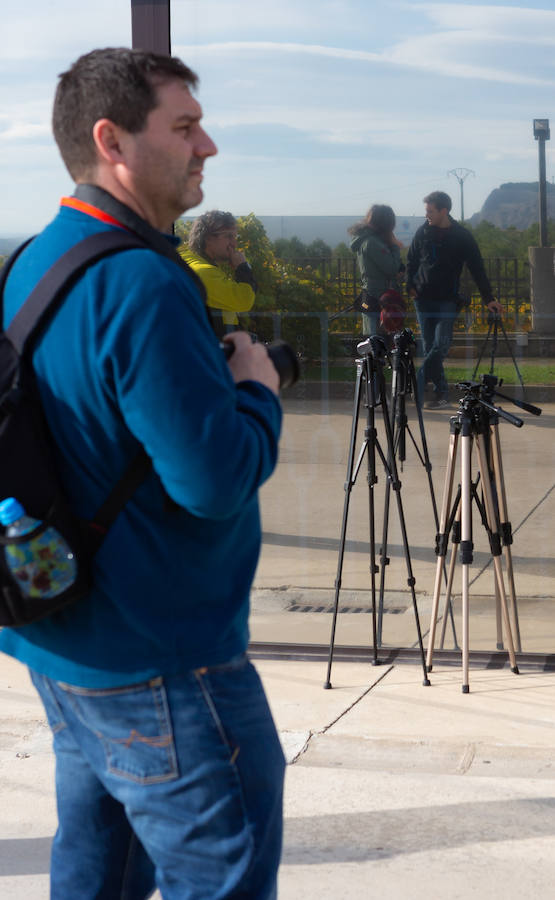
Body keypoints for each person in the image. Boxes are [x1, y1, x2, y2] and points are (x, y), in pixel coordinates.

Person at [0, 48, 285, 900]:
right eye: (185, 127)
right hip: (166, 661)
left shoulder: (33, 260)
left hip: (64, 634)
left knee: (95, 875)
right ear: (111, 141)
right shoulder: (143, 283)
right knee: (220, 879)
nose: (209, 147)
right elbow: (214, 480)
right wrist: (257, 393)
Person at [407, 190, 503, 409]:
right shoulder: (423, 232)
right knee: (431, 346)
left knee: (441, 345)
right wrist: (410, 287)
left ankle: (418, 382)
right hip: (422, 300)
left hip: (447, 300)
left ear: (444, 211)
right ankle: (440, 394)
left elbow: (477, 269)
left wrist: (489, 299)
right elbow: (412, 260)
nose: (427, 215)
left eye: (430, 211)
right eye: (426, 211)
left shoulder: (462, 236)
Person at [183, 210, 256, 334]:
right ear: (208, 239)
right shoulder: (204, 273)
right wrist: (243, 267)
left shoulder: (189, 260)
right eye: (228, 236)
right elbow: (244, 299)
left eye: (235, 236)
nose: (234, 243)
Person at [349, 204, 404, 336]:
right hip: (378, 296)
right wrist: (395, 247)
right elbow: (391, 268)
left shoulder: (368, 240)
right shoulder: (372, 243)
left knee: (373, 337)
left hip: (372, 295)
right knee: (378, 339)